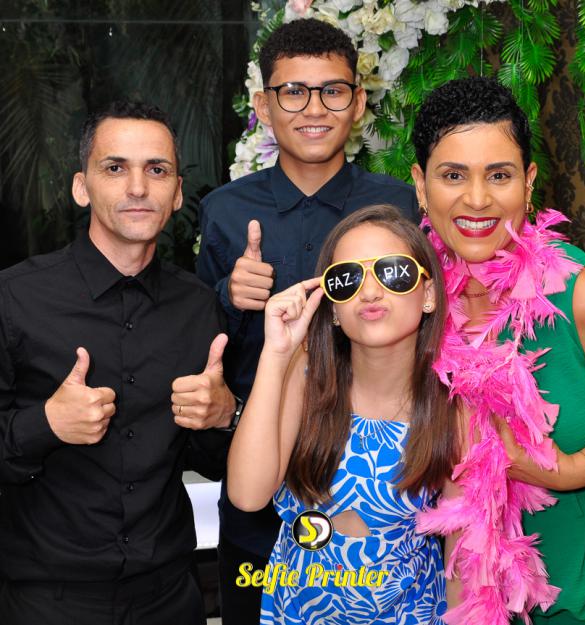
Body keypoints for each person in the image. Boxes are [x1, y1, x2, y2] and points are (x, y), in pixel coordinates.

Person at [196, 18, 419, 624]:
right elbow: (199, 343)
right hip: (259, 474)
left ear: (358, 102)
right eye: (293, 91)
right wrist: (227, 295)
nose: (314, 108)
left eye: (332, 91)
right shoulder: (224, 211)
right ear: (263, 105)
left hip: (380, 488)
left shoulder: (399, 206)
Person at [0, 101, 238, 625]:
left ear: (177, 192)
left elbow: (215, 461)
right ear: (81, 187)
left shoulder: (198, 306)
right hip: (47, 601)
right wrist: (46, 424)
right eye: (115, 168)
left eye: (156, 170)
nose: (137, 187)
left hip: (171, 596)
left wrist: (225, 416)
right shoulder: (14, 298)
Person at [411, 77, 585, 624]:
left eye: (499, 175)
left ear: (528, 183)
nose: (477, 199)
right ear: (420, 185)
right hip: (465, 600)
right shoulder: (410, 304)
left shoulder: (584, 292)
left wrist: (570, 470)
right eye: (453, 175)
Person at [227, 204, 457, 625]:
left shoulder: (452, 404)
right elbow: (247, 494)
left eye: (393, 272)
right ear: (332, 307)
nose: (369, 293)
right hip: (296, 611)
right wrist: (276, 354)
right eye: (347, 279)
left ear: (428, 294)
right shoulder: (305, 376)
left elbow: (464, 555)